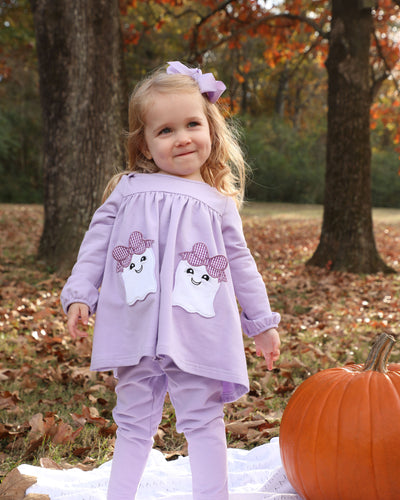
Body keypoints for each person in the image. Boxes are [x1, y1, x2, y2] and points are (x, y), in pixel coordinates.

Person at [61, 61, 281, 500]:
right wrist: (81, 294)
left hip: (196, 329)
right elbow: (96, 244)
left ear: (211, 130)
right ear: (144, 144)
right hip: (136, 326)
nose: (182, 137)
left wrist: (261, 322)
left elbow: (242, 265)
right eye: (165, 130)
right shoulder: (128, 189)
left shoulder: (219, 204)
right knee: (133, 421)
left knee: (202, 419)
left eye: (192, 124)